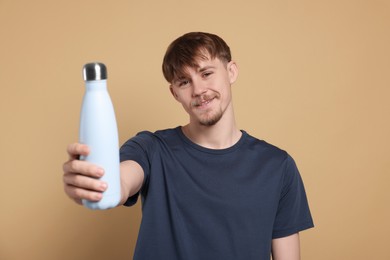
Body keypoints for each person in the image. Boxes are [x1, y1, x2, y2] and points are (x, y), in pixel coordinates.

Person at [63, 32, 314, 260]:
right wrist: (96, 183)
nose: (199, 90)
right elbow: (121, 180)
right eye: (184, 82)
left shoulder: (277, 166)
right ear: (174, 93)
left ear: (231, 72)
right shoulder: (151, 149)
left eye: (206, 74)